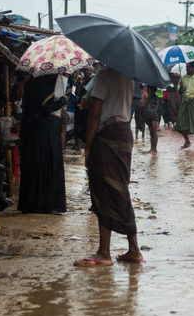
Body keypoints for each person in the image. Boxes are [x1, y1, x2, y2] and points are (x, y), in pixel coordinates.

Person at [76, 66, 143, 266]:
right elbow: (113, 104)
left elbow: (95, 116)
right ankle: (133, 249)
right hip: (123, 132)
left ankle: (104, 252)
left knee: (104, 191)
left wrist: (87, 148)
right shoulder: (128, 76)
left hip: (108, 135)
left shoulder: (104, 75)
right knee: (119, 190)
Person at [16, 73, 68, 214]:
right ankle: (45, 203)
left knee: (37, 163)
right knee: (45, 162)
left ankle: (35, 202)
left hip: (38, 129)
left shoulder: (34, 79)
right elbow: (44, 106)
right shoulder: (46, 80)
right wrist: (60, 103)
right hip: (45, 129)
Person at [175, 62, 194, 150]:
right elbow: (179, 93)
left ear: (193, 68)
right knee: (180, 123)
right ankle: (187, 141)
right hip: (184, 102)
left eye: (188, 67)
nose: (186, 69)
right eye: (186, 67)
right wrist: (181, 87)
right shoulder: (183, 78)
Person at [145, 86, 162, 155]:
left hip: (154, 114)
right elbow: (146, 105)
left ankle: (154, 149)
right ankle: (151, 148)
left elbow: (153, 106)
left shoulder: (156, 97)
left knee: (154, 133)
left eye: (150, 90)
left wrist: (150, 99)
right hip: (148, 114)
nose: (149, 91)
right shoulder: (149, 97)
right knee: (151, 133)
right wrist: (147, 99)